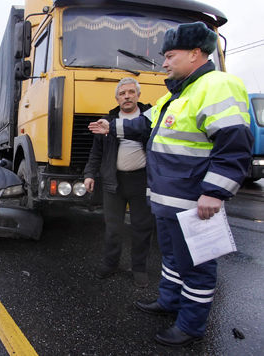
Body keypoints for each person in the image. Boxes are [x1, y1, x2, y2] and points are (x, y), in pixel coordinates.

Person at [89, 22, 253, 347]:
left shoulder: (217, 86)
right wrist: (111, 127)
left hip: (195, 203)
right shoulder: (176, 94)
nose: (164, 63)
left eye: (169, 55)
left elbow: (234, 145)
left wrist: (215, 192)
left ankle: (190, 326)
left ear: (195, 54)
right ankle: (169, 301)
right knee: (174, 260)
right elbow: (142, 125)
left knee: (197, 268)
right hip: (166, 201)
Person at [84, 77, 154, 288]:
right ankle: (110, 264)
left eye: (131, 92)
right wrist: (89, 174)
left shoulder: (150, 118)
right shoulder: (106, 121)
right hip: (113, 182)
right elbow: (96, 153)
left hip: (142, 181)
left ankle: (139, 269)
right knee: (113, 227)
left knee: (142, 227)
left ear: (138, 95)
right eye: (122, 93)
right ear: (116, 97)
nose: (127, 96)